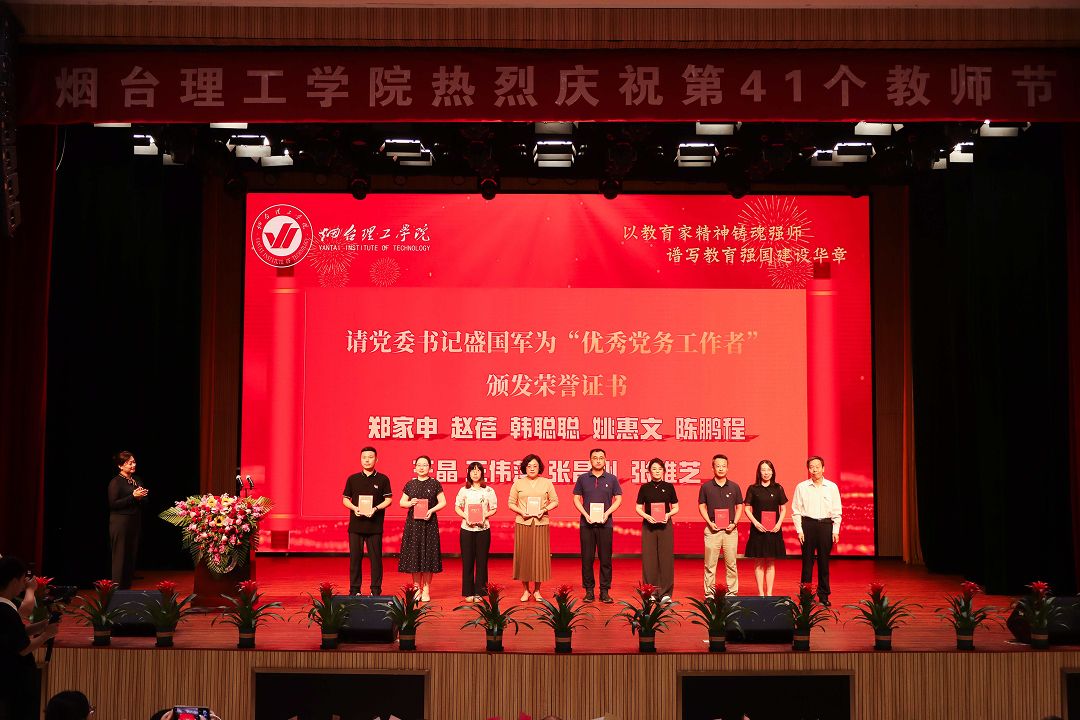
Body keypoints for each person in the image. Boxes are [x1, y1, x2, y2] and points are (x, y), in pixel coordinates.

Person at [0, 556, 60, 720]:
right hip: (13, 683)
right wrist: (47, 635)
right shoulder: (6, 611)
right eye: (22, 580)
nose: (24, 585)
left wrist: (43, 625)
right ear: (14, 581)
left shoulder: (5, 608)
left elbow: (14, 634)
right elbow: (23, 648)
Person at [572, 448, 622, 603]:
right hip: (586, 524)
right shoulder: (582, 478)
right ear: (590, 460)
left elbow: (619, 499)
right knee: (587, 559)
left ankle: (604, 591)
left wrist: (607, 513)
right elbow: (576, 498)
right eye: (595, 458)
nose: (598, 460)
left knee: (605, 559)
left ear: (605, 460)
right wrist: (585, 514)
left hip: (605, 524)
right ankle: (589, 591)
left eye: (601, 458)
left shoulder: (612, 479)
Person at [341, 446, 393, 596]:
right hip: (356, 526)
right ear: (360, 459)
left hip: (374, 526)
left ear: (376, 459)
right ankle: (354, 590)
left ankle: (375, 590)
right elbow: (345, 499)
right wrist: (354, 508)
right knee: (355, 560)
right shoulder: (353, 479)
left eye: (370, 457)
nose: (367, 460)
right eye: (364, 457)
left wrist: (375, 508)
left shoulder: (383, 479)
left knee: (376, 560)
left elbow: (388, 500)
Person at [791, 455, 842, 606]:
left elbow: (837, 510)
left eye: (817, 467)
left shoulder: (832, 487)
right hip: (808, 525)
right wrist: (799, 530)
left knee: (824, 563)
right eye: (811, 467)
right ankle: (805, 596)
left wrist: (835, 530)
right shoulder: (801, 487)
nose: (814, 470)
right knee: (807, 563)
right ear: (808, 469)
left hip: (826, 525)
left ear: (823, 468)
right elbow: (796, 510)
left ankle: (824, 595)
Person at [508, 454, 559, 601]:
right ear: (524, 467)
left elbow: (555, 501)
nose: (532, 468)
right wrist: (521, 512)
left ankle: (537, 591)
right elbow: (511, 503)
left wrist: (544, 509)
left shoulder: (546, 483)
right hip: (523, 523)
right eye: (529, 466)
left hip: (541, 523)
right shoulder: (518, 483)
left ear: (539, 468)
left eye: (535, 466)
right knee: (524, 556)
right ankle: (525, 590)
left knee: (539, 557)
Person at [397, 455, 447, 602]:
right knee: (415, 556)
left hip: (429, 524)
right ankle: (416, 588)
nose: (421, 467)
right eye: (419, 465)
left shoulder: (435, 483)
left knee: (428, 556)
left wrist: (431, 510)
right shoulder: (410, 484)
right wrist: (410, 503)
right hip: (413, 525)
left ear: (430, 468)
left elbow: (443, 502)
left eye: (425, 465)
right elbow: (401, 502)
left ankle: (426, 590)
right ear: (415, 467)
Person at [697, 454, 743, 597]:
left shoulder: (734, 487)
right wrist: (709, 522)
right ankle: (709, 594)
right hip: (712, 530)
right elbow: (701, 506)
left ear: (727, 468)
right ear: (713, 468)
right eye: (718, 466)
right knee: (710, 564)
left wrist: (734, 523)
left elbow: (739, 506)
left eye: (723, 466)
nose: (721, 468)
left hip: (730, 530)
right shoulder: (706, 487)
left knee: (731, 564)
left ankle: (732, 592)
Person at [634, 458, 679, 602]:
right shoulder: (644, 488)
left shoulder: (669, 487)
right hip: (649, 526)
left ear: (664, 471)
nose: (657, 471)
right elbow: (638, 507)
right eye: (654, 469)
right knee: (649, 559)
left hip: (665, 525)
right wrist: (647, 516)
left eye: (659, 469)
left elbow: (676, 507)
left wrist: (668, 515)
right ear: (649, 471)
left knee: (666, 559)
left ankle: (666, 593)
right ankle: (651, 592)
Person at [742, 459, 789, 596]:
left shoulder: (778, 488)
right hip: (758, 530)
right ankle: (761, 593)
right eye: (763, 470)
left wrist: (779, 524)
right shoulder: (753, 488)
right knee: (758, 561)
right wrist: (756, 523)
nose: (766, 472)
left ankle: (769, 593)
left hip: (774, 530)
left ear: (772, 472)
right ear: (759, 472)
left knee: (770, 562)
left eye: (768, 470)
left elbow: (783, 509)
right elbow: (747, 509)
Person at [454, 461, 498, 602]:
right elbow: (457, 507)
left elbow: (494, 508)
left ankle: (480, 591)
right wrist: (466, 516)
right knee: (467, 560)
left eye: (478, 470)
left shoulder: (488, 491)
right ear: (468, 473)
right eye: (472, 470)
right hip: (466, 529)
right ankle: (468, 592)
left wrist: (484, 516)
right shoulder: (464, 490)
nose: (475, 473)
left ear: (482, 473)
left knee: (482, 560)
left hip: (483, 529)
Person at [108, 450, 149, 589]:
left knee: (131, 556)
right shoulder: (116, 482)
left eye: (134, 462)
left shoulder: (137, 480)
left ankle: (126, 589)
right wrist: (133, 497)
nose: (133, 465)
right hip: (120, 523)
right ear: (120, 466)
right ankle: (117, 592)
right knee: (120, 557)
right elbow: (113, 504)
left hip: (134, 521)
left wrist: (140, 498)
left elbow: (145, 501)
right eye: (129, 463)